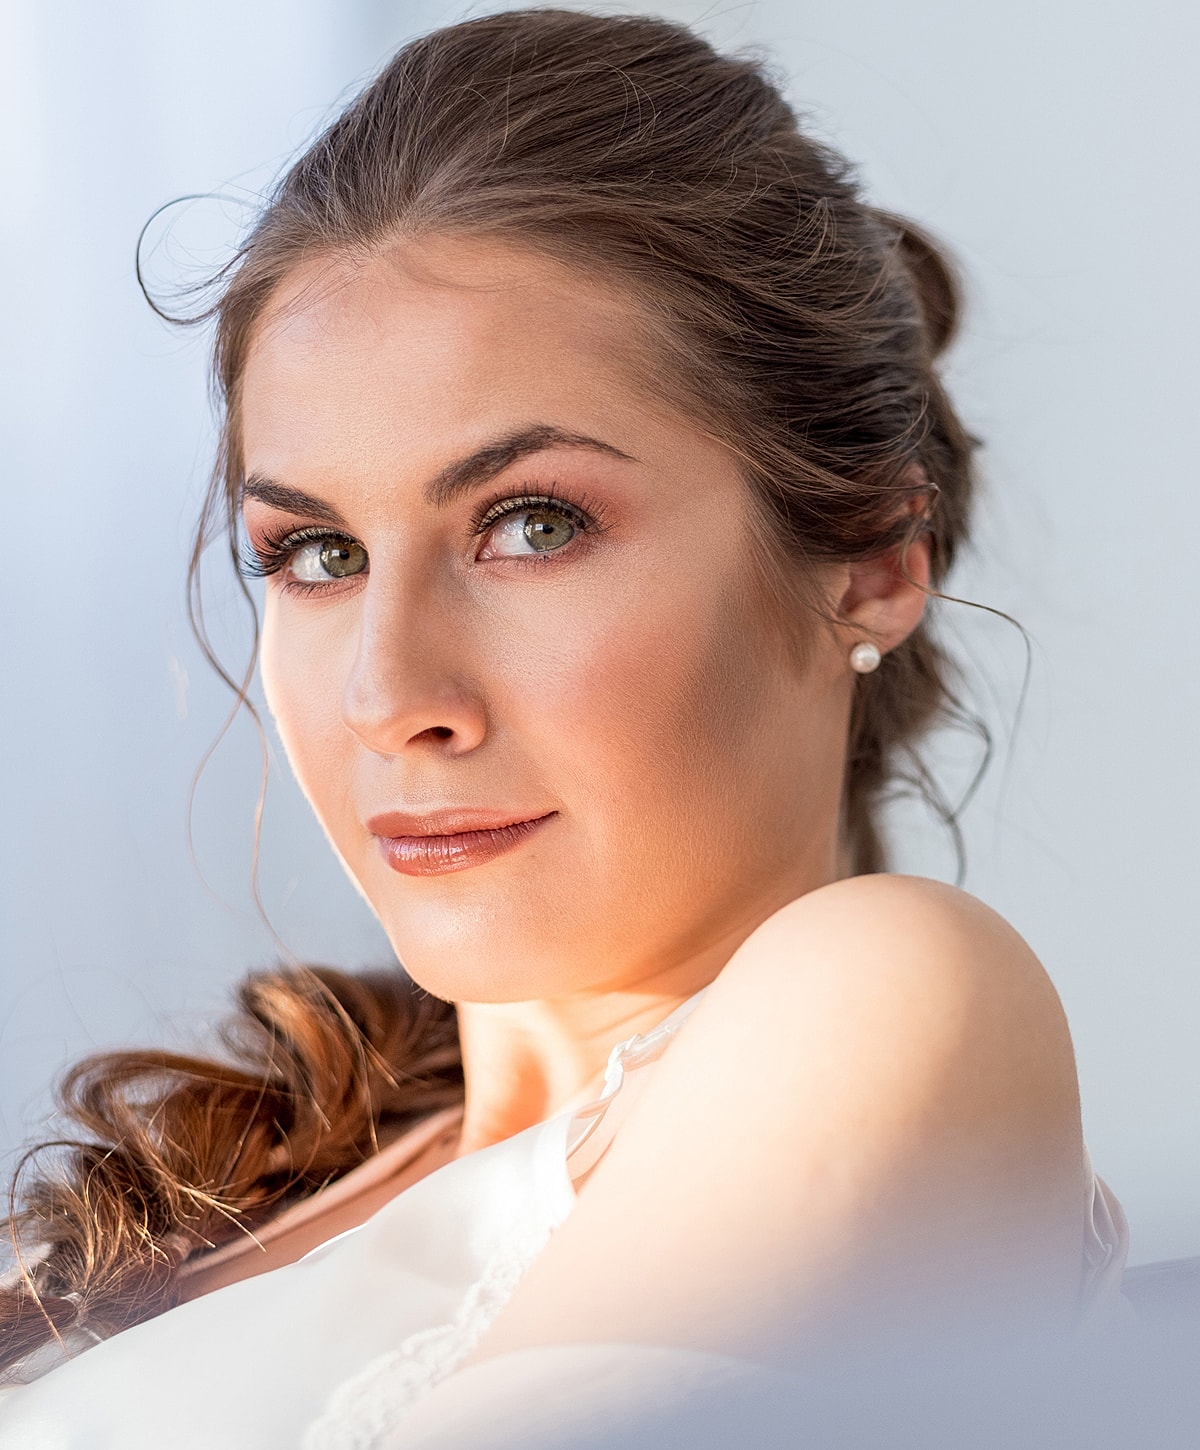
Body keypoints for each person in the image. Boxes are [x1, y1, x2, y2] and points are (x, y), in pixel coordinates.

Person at [0, 8, 1130, 1446]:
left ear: (874, 556)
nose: (388, 694)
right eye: (319, 554)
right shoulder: (220, 1198)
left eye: (532, 525)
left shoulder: (893, 990)